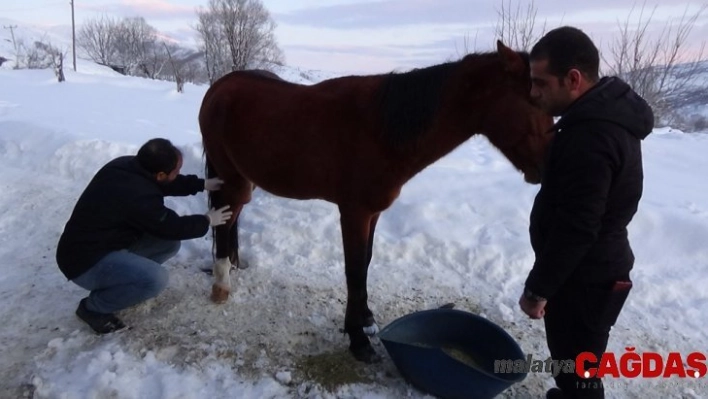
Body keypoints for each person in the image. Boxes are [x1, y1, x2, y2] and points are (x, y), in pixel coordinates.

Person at [517, 27, 654, 399]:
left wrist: (538, 290)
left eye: (541, 83)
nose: (534, 93)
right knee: (575, 365)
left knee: (580, 375)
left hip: (585, 277)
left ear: (573, 79)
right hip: (587, 271)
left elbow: (577, 227)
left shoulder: (591, 137)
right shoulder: (598, 119)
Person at [56, 138, 233, 334]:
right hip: (84, 263)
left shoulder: (127, 165)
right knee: (155, 280)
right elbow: (171, 226)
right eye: (176, 171)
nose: (178, 174)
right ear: (160, 174)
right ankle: (93, 308)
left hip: (103, 244)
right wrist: (207, 220)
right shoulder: (139, 196)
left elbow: (166, 184)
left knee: (168, 244)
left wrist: (202, 184)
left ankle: (124, 283)